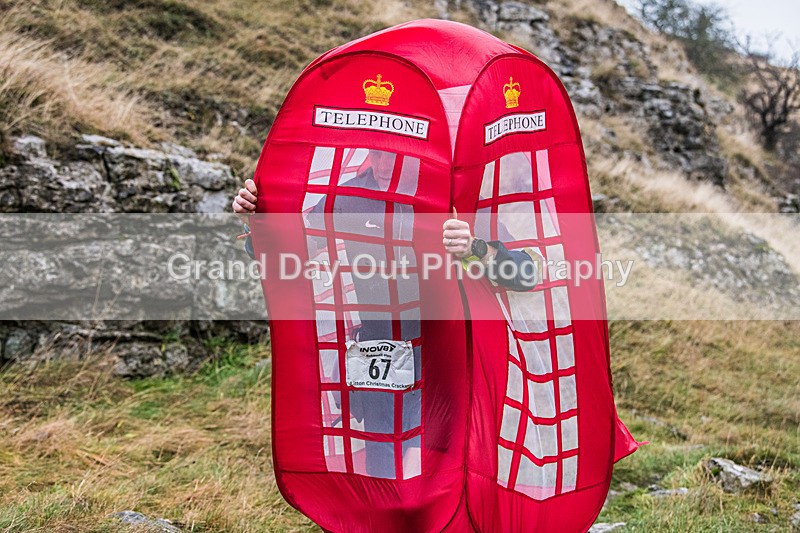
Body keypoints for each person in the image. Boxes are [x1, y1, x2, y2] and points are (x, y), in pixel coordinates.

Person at [232, 149, 541, 478]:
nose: (382, 167)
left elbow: (526, 275)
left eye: (393, 157)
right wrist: (257, 221)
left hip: (444, 360)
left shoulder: (454, 196)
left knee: (431, 477)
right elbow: (290, 255)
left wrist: (474, 248)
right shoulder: (352, 197)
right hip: (379, 353)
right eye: (375, 155)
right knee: (381, 471)